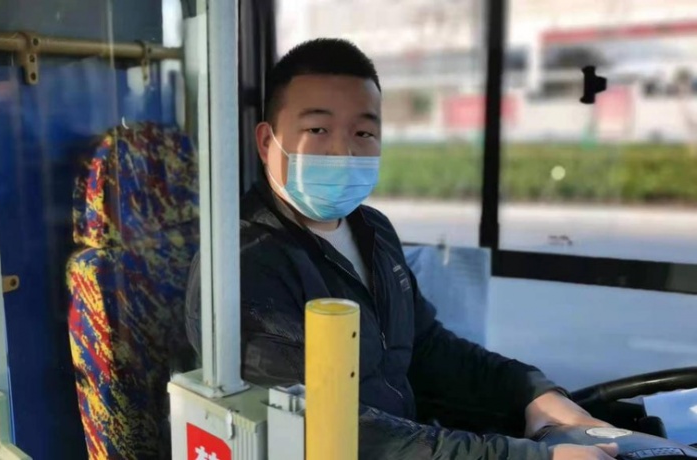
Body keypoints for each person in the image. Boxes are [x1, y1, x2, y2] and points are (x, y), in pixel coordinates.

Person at [184, 38, 620, 460]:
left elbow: (426, 347)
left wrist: (532, 394)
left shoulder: (374, 230)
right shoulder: (243, 263)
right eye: (317, 129)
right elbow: (320, 425)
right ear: (267, 142)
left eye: (363, 132)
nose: (343, 150)